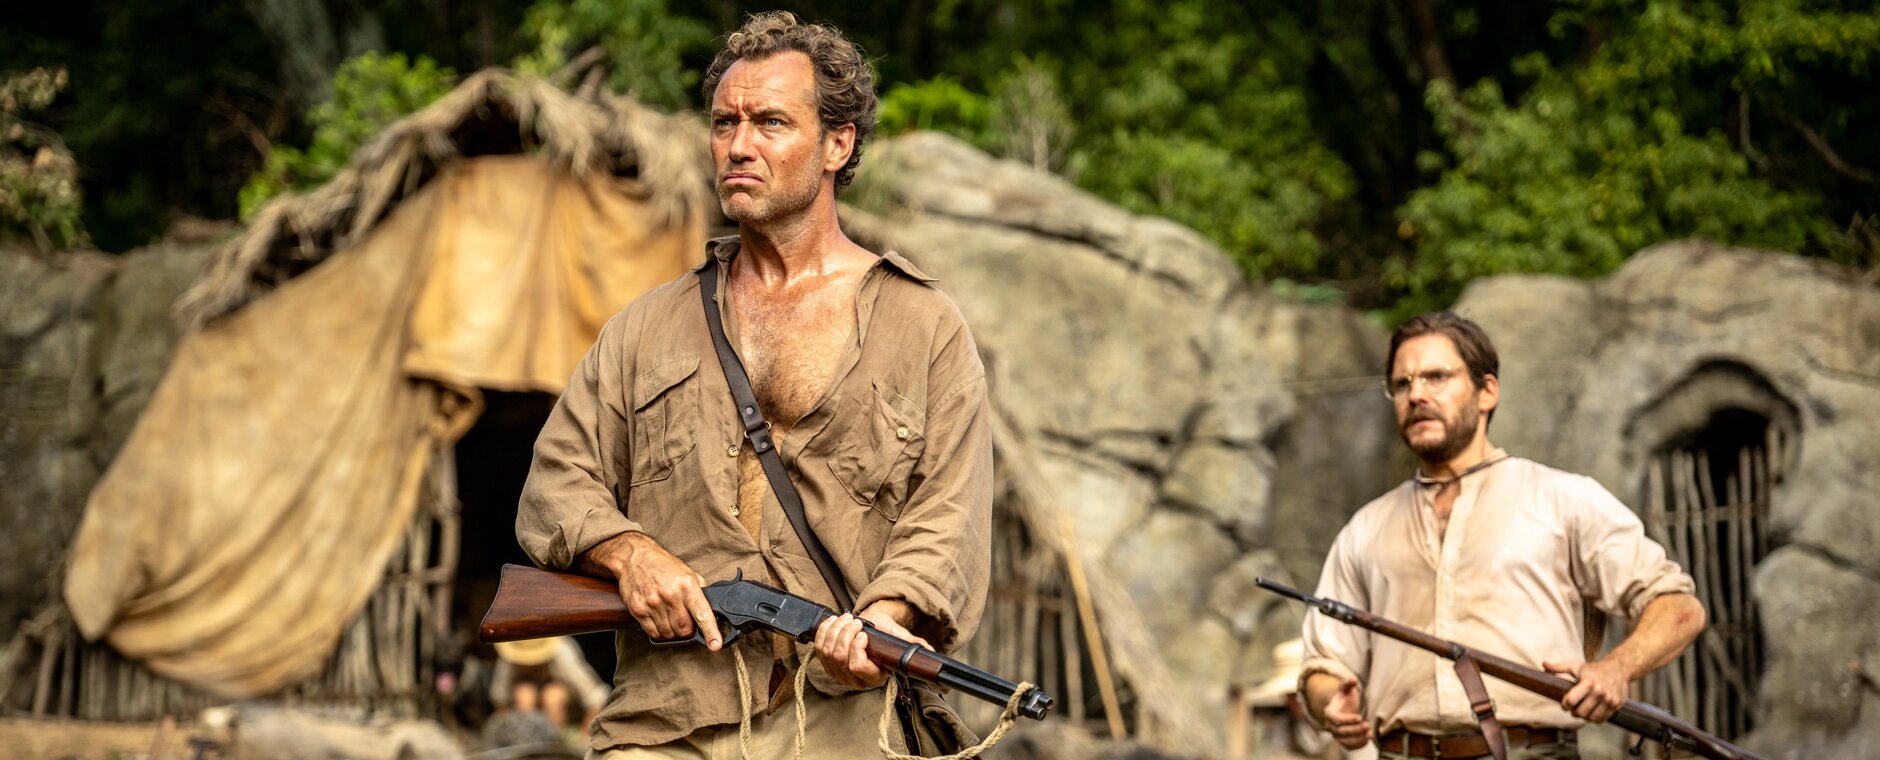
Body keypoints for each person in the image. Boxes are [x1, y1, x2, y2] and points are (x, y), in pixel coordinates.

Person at [514, 11, 993, 759]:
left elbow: (947, 519)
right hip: (664, 721)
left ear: (838, 144)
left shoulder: (925, 327)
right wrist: (629, 554)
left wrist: (885, 619)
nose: (739, 146)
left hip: (841, 720)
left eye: (770, 123)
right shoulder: (644, 328)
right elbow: (557, 481)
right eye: (724, 123)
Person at [1299, 311, 1706, 760]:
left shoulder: (1564, 499)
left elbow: (1678, 607)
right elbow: (1323, 663)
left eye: (1437, 377)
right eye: (1402, 383)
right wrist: (1328, 701)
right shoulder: (1365, 529)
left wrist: (1616, 668)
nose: (1416, 394)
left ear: (1487, 391)